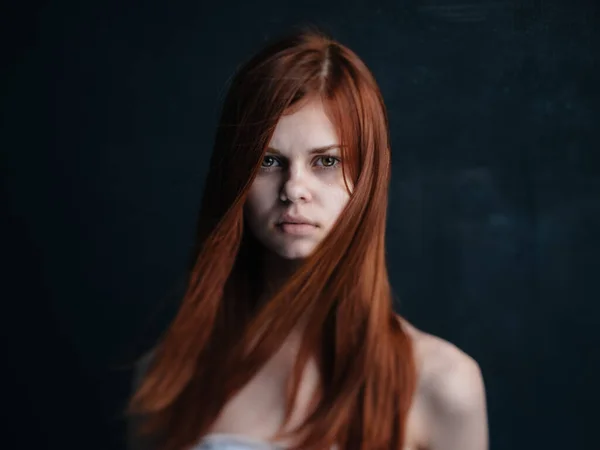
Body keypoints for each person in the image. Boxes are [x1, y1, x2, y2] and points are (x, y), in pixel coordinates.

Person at [125, 26, 488, 450]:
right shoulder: (169, 375)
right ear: (235, 175)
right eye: (269, 160)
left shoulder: (442, 385)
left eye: (327, 161)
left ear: (369, 177)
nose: (294, 188)